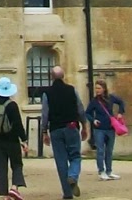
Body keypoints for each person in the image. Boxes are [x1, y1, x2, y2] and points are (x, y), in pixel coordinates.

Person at [39, 65, 86, 199]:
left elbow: (45, 114)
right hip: (71, 126)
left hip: (55, 129)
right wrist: (84, 126)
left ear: (51, 77)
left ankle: (67, 193)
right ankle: (73, 176)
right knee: (75, 156)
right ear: (63, 76)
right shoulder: (72, 90)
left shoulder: (47, 93)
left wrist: (44, 131)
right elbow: (80, 109)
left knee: (61, 160)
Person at [85, 79, 126, 182]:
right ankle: (101, 171)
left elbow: (121, 102)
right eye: (96, 88)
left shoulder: (111, 98)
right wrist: (93, 120)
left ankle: (109, 171)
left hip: (110, 128)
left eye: (99, 88)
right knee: (100, 151)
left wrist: (120, 113)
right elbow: (87, 113)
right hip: (99, 129)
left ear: (104, 89)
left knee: (109, 151)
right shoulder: (94, 101)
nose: (97, 90)